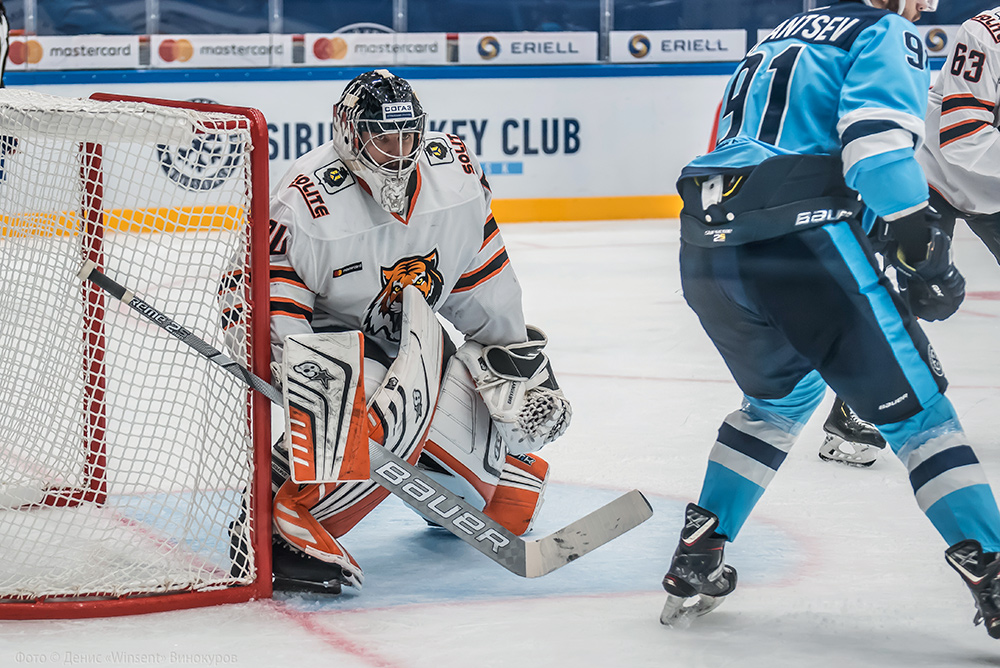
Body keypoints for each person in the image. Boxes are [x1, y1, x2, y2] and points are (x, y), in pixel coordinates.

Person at [662, 0, 1000, 639]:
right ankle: (996, 571)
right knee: (921, 414)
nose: (925, 4)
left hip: (707, 246)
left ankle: (699, 552)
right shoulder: (884, 31)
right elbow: (873, 150)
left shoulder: (777, 36)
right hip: (801, 243)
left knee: (778, 404)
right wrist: (921, 253)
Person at [228, 69, 571, 594]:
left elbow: (480, 282)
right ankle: (280, 520)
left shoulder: (453, 177)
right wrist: (292, 368)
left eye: (409, 134)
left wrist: (518, 368)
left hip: (410, 342)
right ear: (348, 133)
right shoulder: (305, 201)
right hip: (329, 344)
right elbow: (258, 295)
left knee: (488, 500)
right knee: (363, 389)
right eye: (384, 136)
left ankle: (505, 468)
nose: (400, 149)